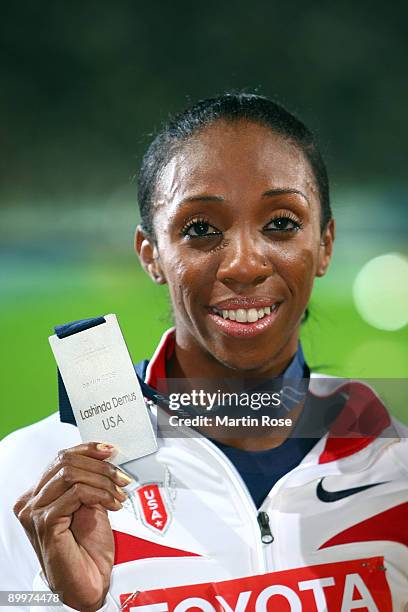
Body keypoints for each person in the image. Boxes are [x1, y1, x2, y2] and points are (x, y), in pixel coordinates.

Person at [0, 93, 407, 612]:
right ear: (151, 254)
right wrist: (55, 600)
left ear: (325, 244)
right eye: (201, 230)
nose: (243, 264)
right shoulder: (31, 481)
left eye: (281, 223)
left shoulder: (395, 471)